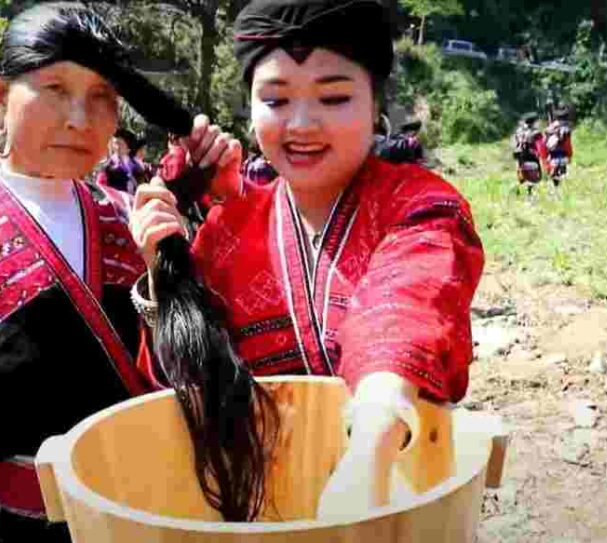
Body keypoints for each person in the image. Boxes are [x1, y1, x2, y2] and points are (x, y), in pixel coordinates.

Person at [0, 3, 234, 540]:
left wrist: (214, 210)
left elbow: (200, 378)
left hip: (147, 516)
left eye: (102, 98)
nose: (79, 119)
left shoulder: (131, 219)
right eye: (55, 90)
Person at [131, 0, 484, 520]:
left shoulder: (422, 206)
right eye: (275, 100)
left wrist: (368, 455)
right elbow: (179, 390)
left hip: (387, 492)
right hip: (259, 510)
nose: (301, 124)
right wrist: (164, 266)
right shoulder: (227, 228)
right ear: (247, 108)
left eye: (335, 97)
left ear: (376, 104)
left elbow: (403, 304)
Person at [96, 128, 148, 193]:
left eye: (121, 144)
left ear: (128, 148)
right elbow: (100, 188)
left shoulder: (137, 167)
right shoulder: (107, 168)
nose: (117, 147)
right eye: (115, 143)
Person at [512, 112, 546, 195]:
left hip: (520, 157)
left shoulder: (519, 131)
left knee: (522, 175)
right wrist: (544, 157)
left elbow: (514, 144)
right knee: (535, 178)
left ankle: (520, 190)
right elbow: (541, 147)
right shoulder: (536, 133)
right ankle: (529, 192)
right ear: (534, 122)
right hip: (532, 157)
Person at [543, 107, 574, 188]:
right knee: (562, 173)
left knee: (555, 174)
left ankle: (555, 185)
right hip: (562, 154)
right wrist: (570, 155)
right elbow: (568, 144)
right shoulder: (566, 129)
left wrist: (546, 155)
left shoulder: (550, 128)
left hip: (552, 154)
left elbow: (545, 142)